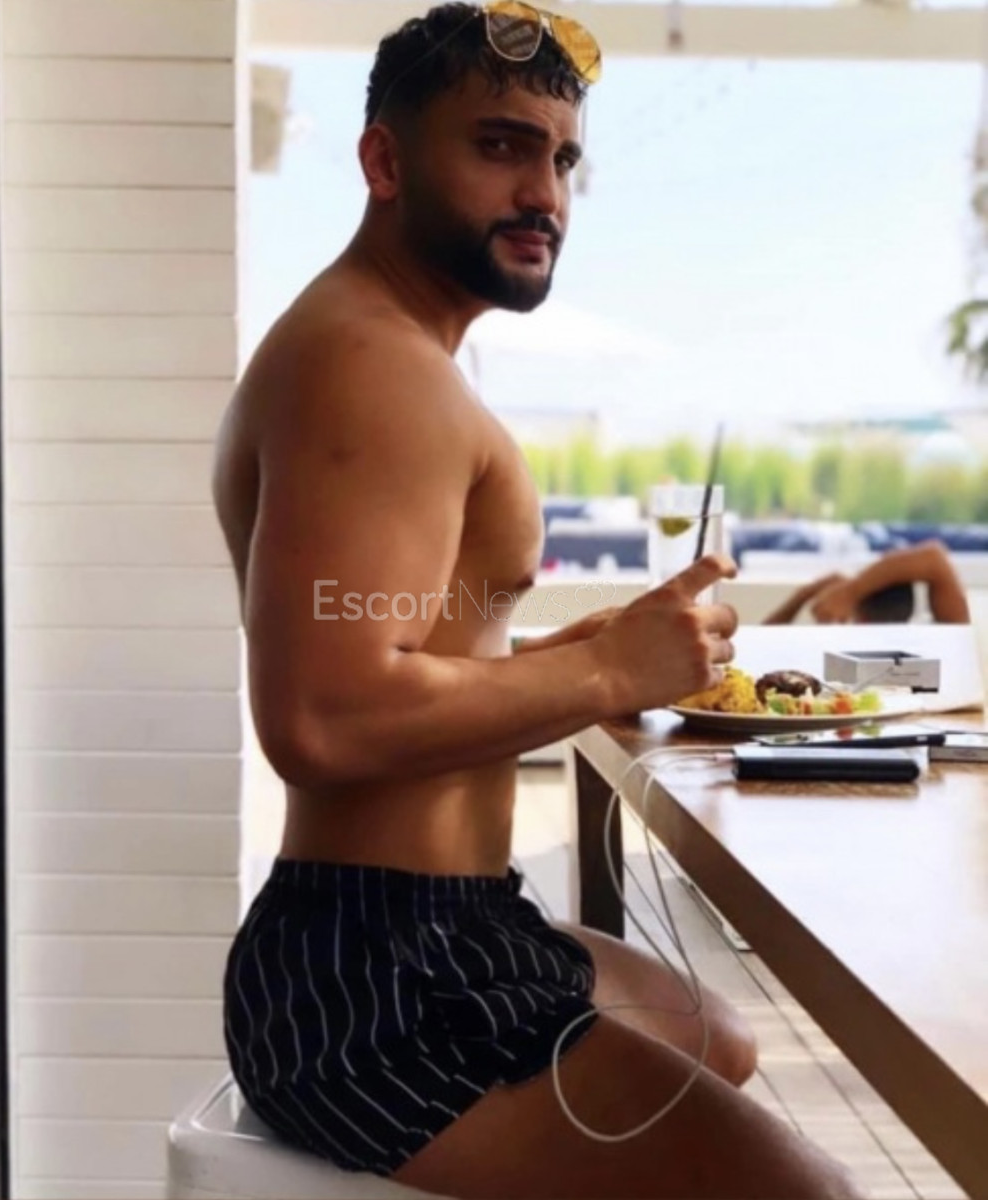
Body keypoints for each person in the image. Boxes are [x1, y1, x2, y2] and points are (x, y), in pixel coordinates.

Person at [213, 5, 860, 1196]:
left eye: (562, 159)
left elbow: (395, 643)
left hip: (446, 926)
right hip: (376, 984)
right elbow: (322, 719)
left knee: (717, 1039)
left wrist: (589, 648)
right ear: (384, 160)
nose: (544, 194)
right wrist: (606, 672)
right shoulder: (372, 366)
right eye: (501, 146)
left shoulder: (385, 349)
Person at [763, 539, 970, 626]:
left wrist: (846, 592)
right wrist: (848, 591)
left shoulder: (846, 646)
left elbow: (934, 556)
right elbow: (934, 559)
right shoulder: (949, 635)